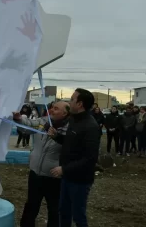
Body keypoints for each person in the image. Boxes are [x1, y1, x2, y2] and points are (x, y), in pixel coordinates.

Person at [48, 88, 99, 227]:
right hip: (67, 177)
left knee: (78, 216)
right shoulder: (74, 120)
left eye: (72, 99)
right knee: (63, 212)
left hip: (80, 181)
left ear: (80, 104)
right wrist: (57, 137)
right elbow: (71, 144)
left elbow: (90, 158)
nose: (69, 102)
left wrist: (64, 169)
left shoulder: (91, 126)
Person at [13, 101, 70, 227]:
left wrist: (64, 168)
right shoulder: (43, 121)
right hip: (35, 173)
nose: (52, 110)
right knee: (31, 206)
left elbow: (74, 150)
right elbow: (27, 126)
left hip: (54, 177)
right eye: (51, 108)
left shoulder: (70, 129)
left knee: (54, 210)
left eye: (56, 109)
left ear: (65, 113)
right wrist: (18, 119)